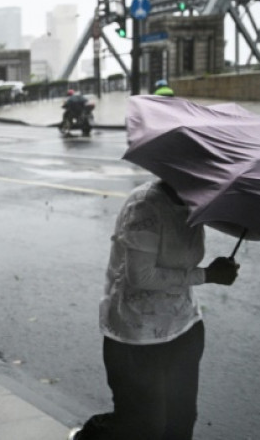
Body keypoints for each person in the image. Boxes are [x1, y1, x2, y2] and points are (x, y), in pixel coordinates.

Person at [70, 179, 239, 440]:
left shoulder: (199, 200)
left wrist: (254, 201)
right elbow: (142, 276)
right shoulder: (145, 205)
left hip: (184, 326)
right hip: (136, 335)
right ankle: (90, 436)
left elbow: (253, 233)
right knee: (143, 426)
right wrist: (206, 275)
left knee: (181, 420)